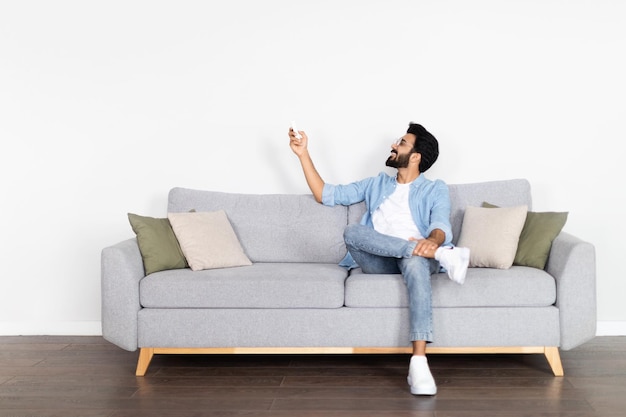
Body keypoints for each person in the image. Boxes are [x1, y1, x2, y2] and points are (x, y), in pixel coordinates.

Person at [288, 122, 470, 396]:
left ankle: (419, 362)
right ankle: (442, 256)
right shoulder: (376, 184)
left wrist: (432, 243)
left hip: (418, 260)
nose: (393, 146)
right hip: (379, 261)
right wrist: (303, 154)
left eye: (402, 143)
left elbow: (441, 225)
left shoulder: (435, 189)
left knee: (415, 261)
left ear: (417, 156)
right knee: (352, 231)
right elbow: (325, 194)